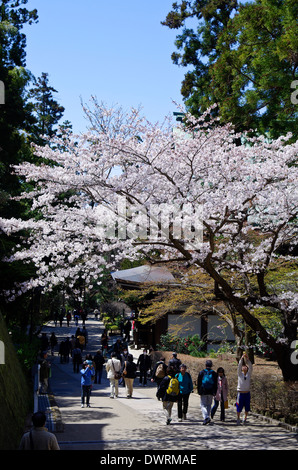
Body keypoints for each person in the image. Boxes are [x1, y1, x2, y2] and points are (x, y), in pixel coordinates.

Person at [197, 359, 218, 425]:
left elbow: (199, 382)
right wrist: (215, 391)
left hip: (203, 391)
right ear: (211, 365)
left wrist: (199, 391)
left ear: (205, 365)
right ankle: (208, 417)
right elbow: (215, 383)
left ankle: (206, 417)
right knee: (209, 404)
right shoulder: (214, 373)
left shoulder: (202, 372)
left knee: (202, 405)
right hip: (211, 391)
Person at [236, 352, 252, 425]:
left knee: (247, 407)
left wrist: (247, 359)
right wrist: (242, 359)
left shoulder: (249, 375)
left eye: (245, 366)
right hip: (240, 393)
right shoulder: (239, 374)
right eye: (243, 366)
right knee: (239, 407)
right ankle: (238, 418)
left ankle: (245, 417)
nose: (244, 367)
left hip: (247, 393)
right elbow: (239, 367)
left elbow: (251, 367)